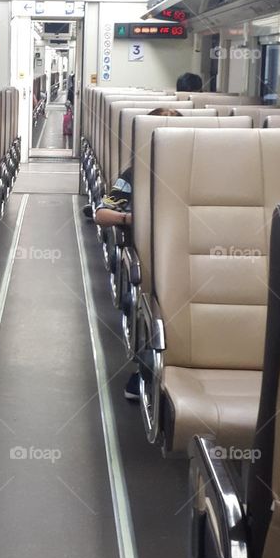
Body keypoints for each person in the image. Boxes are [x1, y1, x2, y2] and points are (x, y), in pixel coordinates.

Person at [93, 106, 182, 401]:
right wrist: (132, 219)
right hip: (149, 263)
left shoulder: (206, 178)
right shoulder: (136, 174)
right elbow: (102, 214)